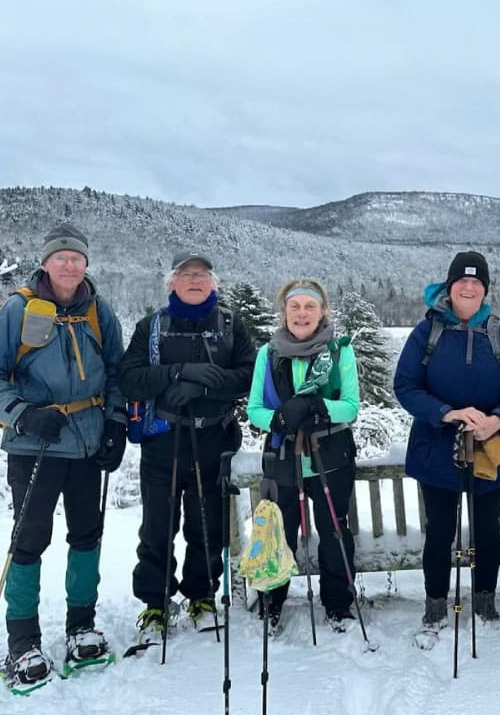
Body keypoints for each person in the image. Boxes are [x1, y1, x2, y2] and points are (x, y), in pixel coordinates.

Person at [0, 223, 127, 687]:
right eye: (62, 257)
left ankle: (81, 625)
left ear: (86, 264)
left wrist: (115, 422)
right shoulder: (17, 309)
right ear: (46, 262)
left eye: (77, 258)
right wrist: (21, 414)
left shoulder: (99, 310)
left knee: (87, 534)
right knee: (29, 537)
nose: (70, 265)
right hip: (35, 443)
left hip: (87, 441)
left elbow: (116, 370)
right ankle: (22, 639)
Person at [393, 251, 500, 641]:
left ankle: (485, 600)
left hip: (489, 447)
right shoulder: (428, 332)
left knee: (487, 529)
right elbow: (405, 386)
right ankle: (436, 603)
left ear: (485, 290)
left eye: (476, 282)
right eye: (461, 281)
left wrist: (499, 419)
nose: (468, 287)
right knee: (439, 530)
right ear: (449, 286)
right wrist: (447, 413)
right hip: (436, 447)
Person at [119, 250, 255, 642]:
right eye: (186, 274)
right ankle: (156, 604)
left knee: (207, 525)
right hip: (164, 439)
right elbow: (129, 378)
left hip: (215, 436)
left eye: (203, 274)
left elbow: (249, 375)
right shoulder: (152, 327)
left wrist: (205, 385)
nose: (195, 280)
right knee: (158, 527)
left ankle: (201, 596)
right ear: (171, 283)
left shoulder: (230, 325)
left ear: (214, 283)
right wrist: (175, 374)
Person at [246, 278, 360, 634]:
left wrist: (317, 407)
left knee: (334, 531)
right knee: (281, 532)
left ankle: (338, 603)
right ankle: (273, 599)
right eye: (294, 306)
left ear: (322, 311)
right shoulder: (269, 353)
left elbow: (351, 407)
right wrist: (279, 418)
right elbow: (255, 409)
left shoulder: (340, 350)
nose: (302, 313)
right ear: (284, 311)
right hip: (284, 457)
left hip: (331, 456)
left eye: (310, 306)